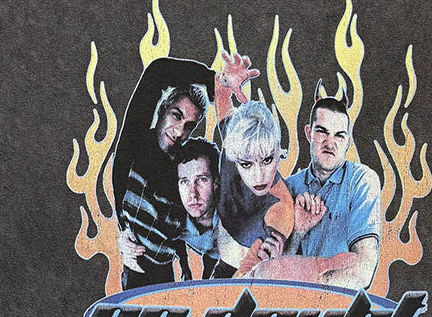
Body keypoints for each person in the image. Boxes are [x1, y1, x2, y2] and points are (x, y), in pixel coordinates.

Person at [112, 56, 214, 288]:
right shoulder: (135, 145)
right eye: (176, 116)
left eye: (189, 126)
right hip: (134, 276)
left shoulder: (186, 166)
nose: (178, 132)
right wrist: (212, 80)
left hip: (166, 278)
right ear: (162, 108)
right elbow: (157, 72)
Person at [285, 93, 382, 290]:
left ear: (348, 141)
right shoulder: (289, 187)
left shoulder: (362, 181)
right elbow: (272, 271)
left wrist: (308, 285)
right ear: (309, 133)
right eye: (322, 132)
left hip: (339, 306)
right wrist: (297, 233)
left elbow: (363, 272)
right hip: (289, 305)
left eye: (339, 135)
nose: (330, 143)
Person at [214, 50, 295, 277]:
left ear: (278, 152)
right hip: (215, 244)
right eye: (246, 164)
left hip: (238, 271)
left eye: (267, 160)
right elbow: (221, 94)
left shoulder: (280, 209)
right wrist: (226, 79)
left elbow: (244, 274)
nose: (259, 177)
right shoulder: (235, 144)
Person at [173, 138, 234, 280]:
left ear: (216, 182)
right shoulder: (171, 217)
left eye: (201, 180)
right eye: (184, 182)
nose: (193, 194)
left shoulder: (235, 210)